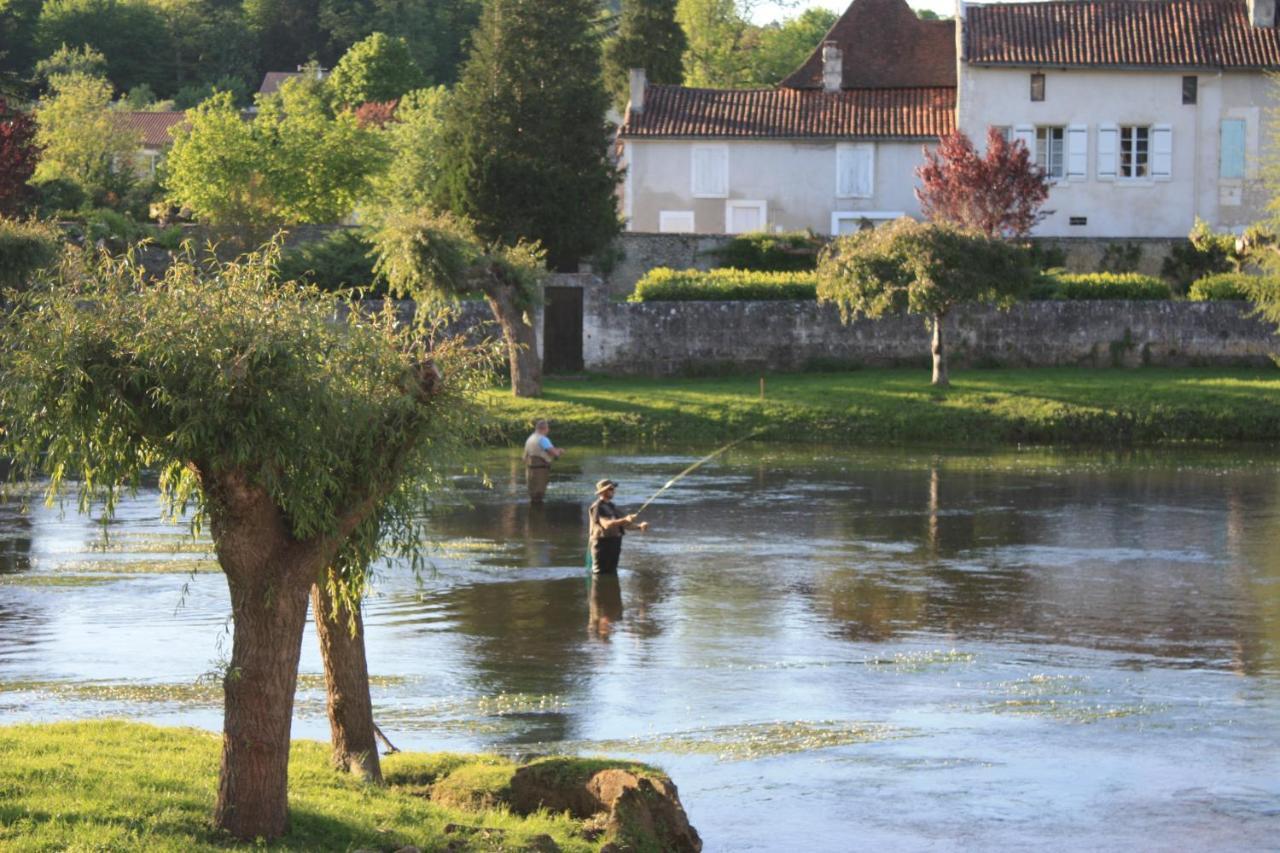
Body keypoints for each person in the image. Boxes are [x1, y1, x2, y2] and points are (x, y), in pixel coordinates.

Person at [588, 479, 648, 574]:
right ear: (603, 491)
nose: (614, 491)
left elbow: (624, 524)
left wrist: (639, 526)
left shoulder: (612, 506)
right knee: (599, 574)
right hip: (602, 545)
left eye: (613, 489)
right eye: (611, 489)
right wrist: (626, 519)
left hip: (615, 543)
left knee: (612, 572)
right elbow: (606, 524)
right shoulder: (597, 507)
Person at [523, 419, 563, 502]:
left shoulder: (530, 438)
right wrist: (559, 451)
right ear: (544, 429)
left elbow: (524, 457)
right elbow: (553, 453)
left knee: (533, 495)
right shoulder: (543, 439)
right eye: (548, 428)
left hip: (530, 470)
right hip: (540, 470)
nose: (548, 430)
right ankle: (538, 514)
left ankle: (533, 513)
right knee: (539, 494)